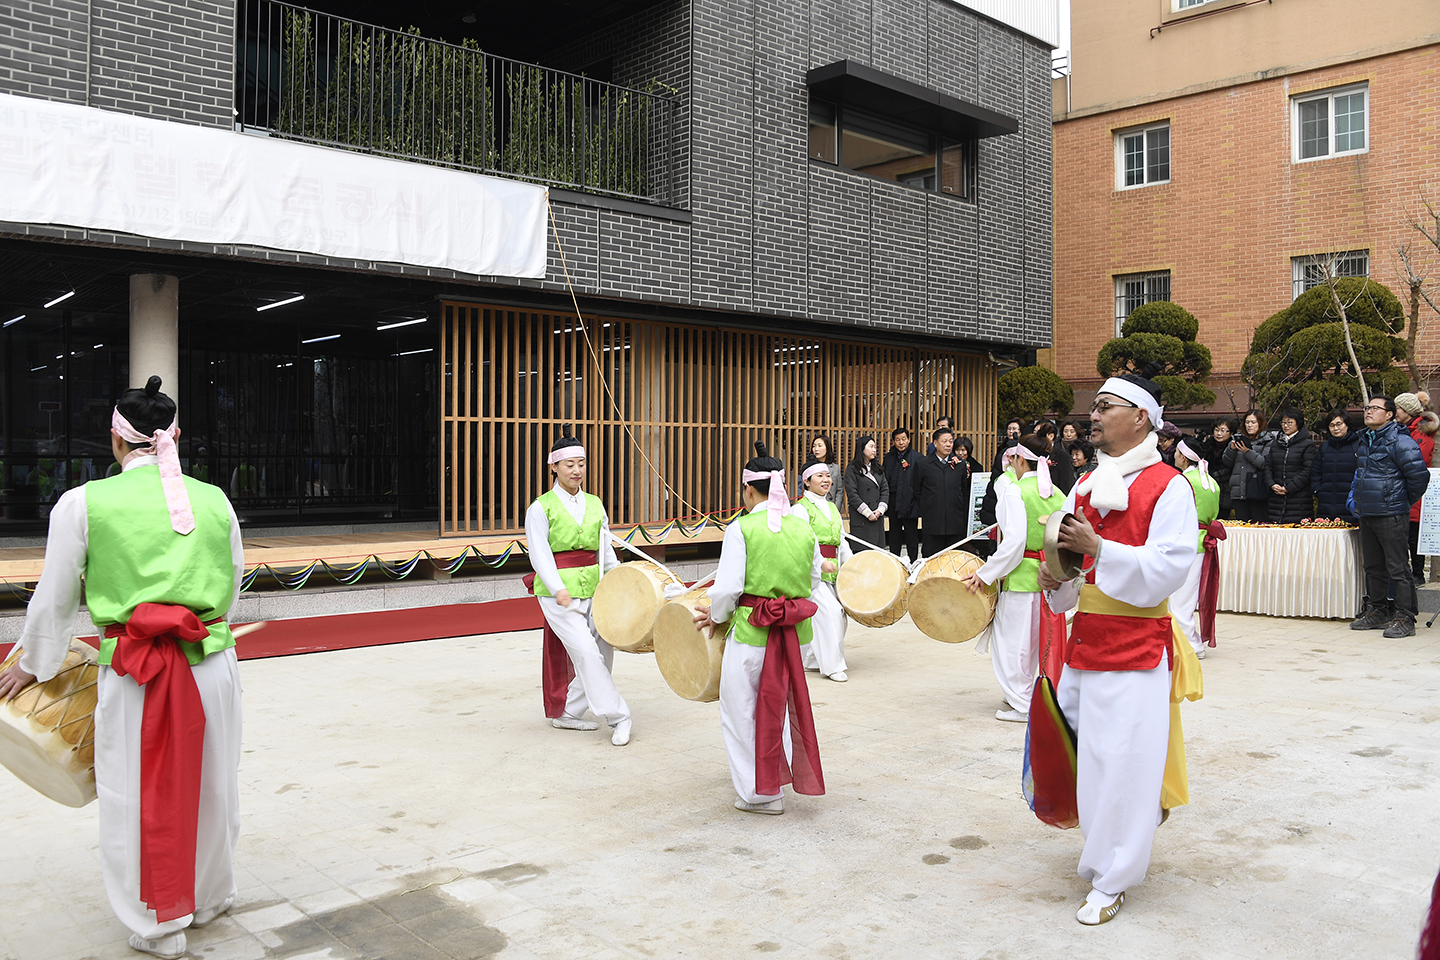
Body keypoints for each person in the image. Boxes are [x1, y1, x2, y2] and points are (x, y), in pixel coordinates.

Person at [0, 376, 245, 960]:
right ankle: (210, 897)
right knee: (215, 784)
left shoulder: (83, 503)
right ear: (175, 437)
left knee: (135, 792)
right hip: (211, 662)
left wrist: (35, 663)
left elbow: (55, 597)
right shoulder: (215, 499)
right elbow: (231, 587)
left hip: (136, 669)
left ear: (114, 438)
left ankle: (158, 923)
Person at [1038, 367, 1198, 927]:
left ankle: (1115, 878)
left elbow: (1168, 571)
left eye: (1106, 407)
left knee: (1124, 765)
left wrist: (1099, 549)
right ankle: (1106, 852)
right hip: (1086, 642)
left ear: (1141, 419)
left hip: (1137, 646)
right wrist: (1058, 581)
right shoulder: (1084, 486)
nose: (1094, 415)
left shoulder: (1169, 486)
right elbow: (1077, 573)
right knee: (1091, 761)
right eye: (1095, 407)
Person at [693, 442, 826, 815]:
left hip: (754, 632)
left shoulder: (743, 528)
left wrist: (717, 616)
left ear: (748, 490)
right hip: (794, 634)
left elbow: (729, 588)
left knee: (741, 711)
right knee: (779, 706)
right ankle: (773, 777)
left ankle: (759, 792)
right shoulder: (803, 528)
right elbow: (814, 580)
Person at [523, 425, 630, 746]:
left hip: (595, 587)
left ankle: (568, 712)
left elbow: (606, 551)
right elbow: (540, 555)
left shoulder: (596, 503)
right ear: (553, 466)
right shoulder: (540, 508)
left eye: (581, 463)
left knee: (602, 651)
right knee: (585, 652)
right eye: (569, 464)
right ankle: (619, 715)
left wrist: (620, 582)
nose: (577, 470)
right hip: (559, 595)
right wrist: (558, 589)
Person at [961, 434, 1066, 722]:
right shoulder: (1056, 493)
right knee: (1033, 645)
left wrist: (985, 573)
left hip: (1020, 579)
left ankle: (1022, 703)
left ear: (1019, 459)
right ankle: (1025, 696)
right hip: (1048, 579)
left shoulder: (1016, 491)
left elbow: (1015, 541)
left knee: (1011, 646)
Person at [1350, 396, 1430, 638]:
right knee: (1373, 566)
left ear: (1390, 415)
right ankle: (1378, 611)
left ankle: (1406, 616)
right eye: (1367, 408)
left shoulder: (1401, 441)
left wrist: (1399, 502)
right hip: (1367, 512)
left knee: (1397, 567)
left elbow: (1419, 478)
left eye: (1375, 408)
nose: (1368, 412)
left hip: (1391, 513)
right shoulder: (1365, 439)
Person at [797, 457, 851, 681]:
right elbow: (800, 544)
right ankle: (833, 666)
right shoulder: (799, 509)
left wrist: (851, 566)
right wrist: (819, 563)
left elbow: (842, 541)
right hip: (810, 574)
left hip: (834, 571)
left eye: (828, 475)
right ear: (807, 481)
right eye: (820, 476)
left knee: (839, 616)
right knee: (831, 614)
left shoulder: (831, 507)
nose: (826, 480)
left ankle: (811, 659)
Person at [1171, 438, 1222, 659]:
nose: (1173, 455)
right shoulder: (1212, 483)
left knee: (1179, 598)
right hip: (1203, 542)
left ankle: (1190, 643)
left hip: (1185, 541)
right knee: (1187, 596)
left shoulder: (1183, 481)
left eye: (1176, 452)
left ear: (1183, 456)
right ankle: (1187, 641)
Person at [1397, 392, 1439, 583]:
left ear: (1407, 410)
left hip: (1415, 493)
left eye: (1398, 408)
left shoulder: (1421, 436)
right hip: (1403, 492)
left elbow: (1414, 464)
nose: (1394, 411)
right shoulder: (1404, 430)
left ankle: (1417, 574)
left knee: (1414, 536)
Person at [915, 426, 970, 557]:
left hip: (955, 522)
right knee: (931, 561)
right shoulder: (923, 464)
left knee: (954, 561)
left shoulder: (960, 465)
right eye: (944, 441)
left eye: (950, 441)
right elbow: (917, 490)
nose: (948, 445)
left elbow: (963, 489)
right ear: (935, 443)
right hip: (933, 522)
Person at [1264, 407, 1315, 523]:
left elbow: (1307, 470)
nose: (1286, 426)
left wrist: (1288, 488)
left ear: (1298, 423)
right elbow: (1268, 466)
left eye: (1290, 422)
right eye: (1283, 422)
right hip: (1276, 500)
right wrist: (1272, 484)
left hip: (1298, 499)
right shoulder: (1276, 444)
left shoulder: (1307, 444)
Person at [1222, 411, 1273, 521]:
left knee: (1258, 525)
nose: (1250, 425)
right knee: (1242, 525)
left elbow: (1264, 463)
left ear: (1260, 423)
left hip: (1257, 490)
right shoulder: (1238, 438)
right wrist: (1232, 449)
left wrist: (1247, 451)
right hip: (1238, 490)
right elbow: (1226, 461)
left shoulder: (1267, 440)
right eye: (1247, 422)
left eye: (1253, 422)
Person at [1311, 409, 1360, 522]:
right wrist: (1318, 490)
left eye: (1339, 424)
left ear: (1347, 424)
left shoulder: (1358, 445)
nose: (1335, 428)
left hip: (1351, 504)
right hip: (1326, 504)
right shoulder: (1324, 447)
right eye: (1331, 425)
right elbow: (1315, 472)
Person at [843, 435, 889, 549]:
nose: (874, 450)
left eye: (875, 447)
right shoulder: (852, 469)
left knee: (877, 554)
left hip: (877, 517)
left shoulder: (878, 469)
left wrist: (880, 510)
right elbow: (852, 494)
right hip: (862, 519)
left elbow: (885, 490)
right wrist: (868, 513)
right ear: (862, 449)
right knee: (863, 553)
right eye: (871, 447)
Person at [883, 425, 921, 561]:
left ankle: (914, 562)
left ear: (909, 440)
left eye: (903, 439)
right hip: (893, 500)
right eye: (898, 440)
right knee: (894, 534)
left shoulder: (917, 458)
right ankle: (895, 562)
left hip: (910, 500)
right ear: (893, 441)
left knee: (912, 535)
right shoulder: (888, 457)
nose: (901, 442)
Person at [1200, 418, 1236, 519]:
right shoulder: (1207, 444)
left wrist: (1210, 477)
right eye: (1216, 430)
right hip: (1207, 487)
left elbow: (1230, 468)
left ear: (1231, 432)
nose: (1219, 433)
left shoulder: (1233, 446)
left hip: (1224, 489)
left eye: (1223, 430)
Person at [1036, 421, 1078, 494]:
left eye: (1041, 435)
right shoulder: (1034, 454)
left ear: (1051, 436)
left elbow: (1067, 485)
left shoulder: (1063, 457)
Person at [809, 434, 844, 509]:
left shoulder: (835, 468)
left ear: (827, 448)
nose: (816, 449)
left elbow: (839, 490)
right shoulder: (810, 468)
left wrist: (835, 508)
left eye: (819, 445)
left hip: (831, 507)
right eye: (814, 446)